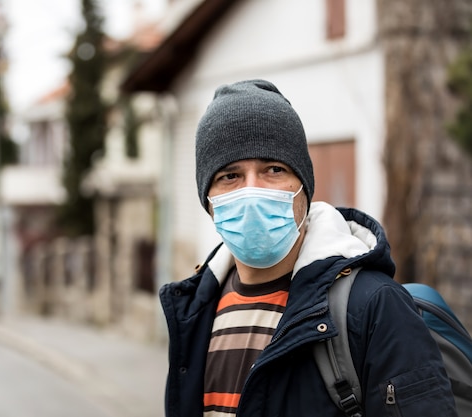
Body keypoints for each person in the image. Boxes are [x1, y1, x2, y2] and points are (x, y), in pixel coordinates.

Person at [158, 79, 457, 417]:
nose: (253, 191)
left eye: (273, 169)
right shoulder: (195, 312)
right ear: (208, 200)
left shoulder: (373, 308)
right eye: (230, 175)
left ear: (303, 187)